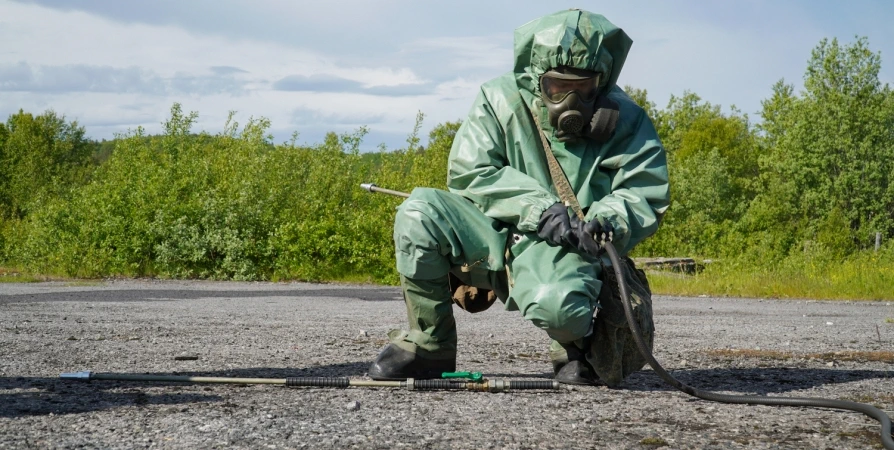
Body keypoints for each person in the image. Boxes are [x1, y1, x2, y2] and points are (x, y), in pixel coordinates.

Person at [368, 9, 670, 386]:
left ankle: (575, 345)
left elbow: (642, 190)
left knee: (561, 308)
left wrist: (605, 223)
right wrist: (541, 210)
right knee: (418, 212)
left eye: (584, 87)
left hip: (568, 248)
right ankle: (430, 344)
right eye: (557, 88)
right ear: (536, 78)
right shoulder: (498, 99)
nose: (569, 101)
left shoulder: (627, 119)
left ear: (602, 81)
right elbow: (470, 171)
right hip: (494, 231)